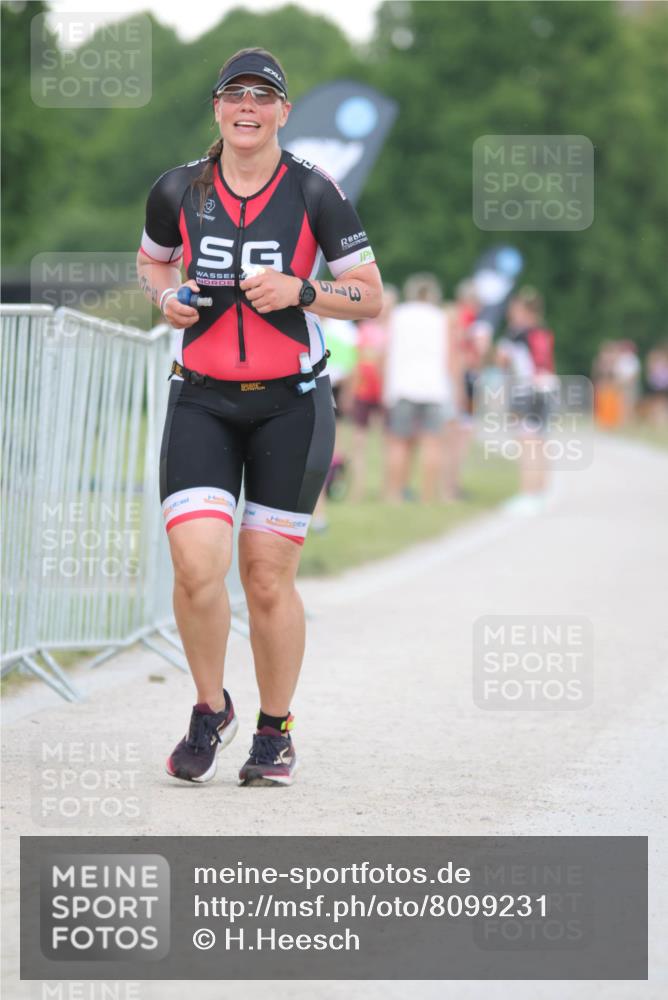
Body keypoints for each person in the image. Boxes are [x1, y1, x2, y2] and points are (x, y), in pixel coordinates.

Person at [136, 47, 382, 787]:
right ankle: (210, 708)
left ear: (282, 110)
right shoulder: (178, 189)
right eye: (234, 95)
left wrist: (301, 292)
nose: (247, 107)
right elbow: (153, 261)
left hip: (292, 406)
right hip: (202, 397)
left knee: (267, 580)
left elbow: (371, 296)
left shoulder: (315, 192)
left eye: (262, 96)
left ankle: (275, 731)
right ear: (217, 109)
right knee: (195, 567)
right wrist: (165, 298)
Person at [383, 274, 456, 502]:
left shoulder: (398, 315)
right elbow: (450, 354)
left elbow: (387, 351)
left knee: (399, 442)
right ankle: (427, 494)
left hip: (403, 385)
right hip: (434, 387)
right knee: (432, 443)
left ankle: (394, 494)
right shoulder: (441, 317)